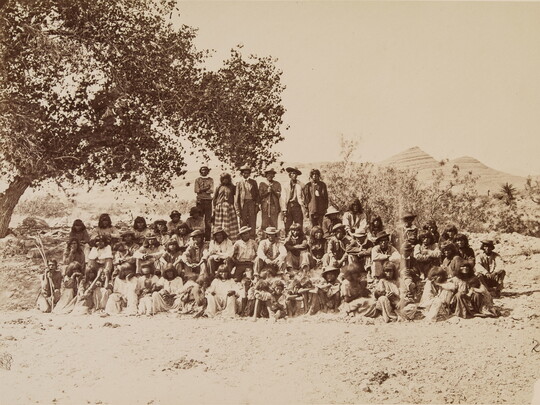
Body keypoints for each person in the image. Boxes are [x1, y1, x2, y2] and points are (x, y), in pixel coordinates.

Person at [235, 165, 260, 239]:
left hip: (251, 203)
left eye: (247, 173)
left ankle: (252, 237)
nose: (246, 174)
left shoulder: (253, 182)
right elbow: (237, 197)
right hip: (243, 204)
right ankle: (243, 237)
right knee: (243, 221)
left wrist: (257, 204)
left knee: (252, 220)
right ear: (242, 173)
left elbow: (257, 195)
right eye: (244, 173)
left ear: (249, 173)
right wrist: (237, 209)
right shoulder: (239, 183)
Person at [213, 173, 240, 241]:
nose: (225, 180)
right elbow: (214, 198)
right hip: (220, 208)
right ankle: (219, 239)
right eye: (223, 179)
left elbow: (237, 194)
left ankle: (231, 240)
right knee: (220, 225)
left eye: (227, 179)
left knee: (230, 225)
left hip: (229, 207)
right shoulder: (218, 187)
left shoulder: (232, 187)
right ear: (221, 180)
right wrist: (214, 208)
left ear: (229, 179)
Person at [280, 166, 305, 233]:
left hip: (297, 206)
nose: (294, 175)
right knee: (288, 225)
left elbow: (303, 196)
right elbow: (283, 198)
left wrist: (303, 203)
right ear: (290, 175)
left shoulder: (301, 185)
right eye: (293, 173)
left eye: (296, 174)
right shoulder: (285, 185)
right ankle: (288, 240)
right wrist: (284, 210)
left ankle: (300, 240)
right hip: (288, 206)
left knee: (299, 224)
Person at [194, 165, 214, 241]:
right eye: (202, 170)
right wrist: (206, 188)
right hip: (200, 201)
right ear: (200, 171)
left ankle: (208, 238)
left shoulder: (211, 180)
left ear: (207, 171)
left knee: (208, 220)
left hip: (208, 201)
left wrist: (202, 189)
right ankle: (200, 237)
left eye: (205, 170)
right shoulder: (197, 180)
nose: (204, 171)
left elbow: (211, 190)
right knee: (200, 219)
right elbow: (196, 190)